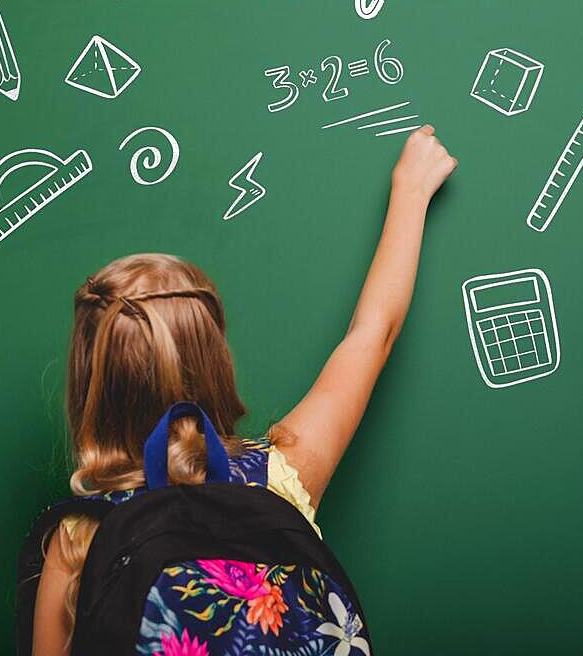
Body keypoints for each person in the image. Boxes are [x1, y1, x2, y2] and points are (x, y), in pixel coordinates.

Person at [29, 126, 457, 655]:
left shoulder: (77, 541)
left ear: (90, 386)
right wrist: (410, 192)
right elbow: (374, 333)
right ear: (215, 361)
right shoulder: (282, 477)